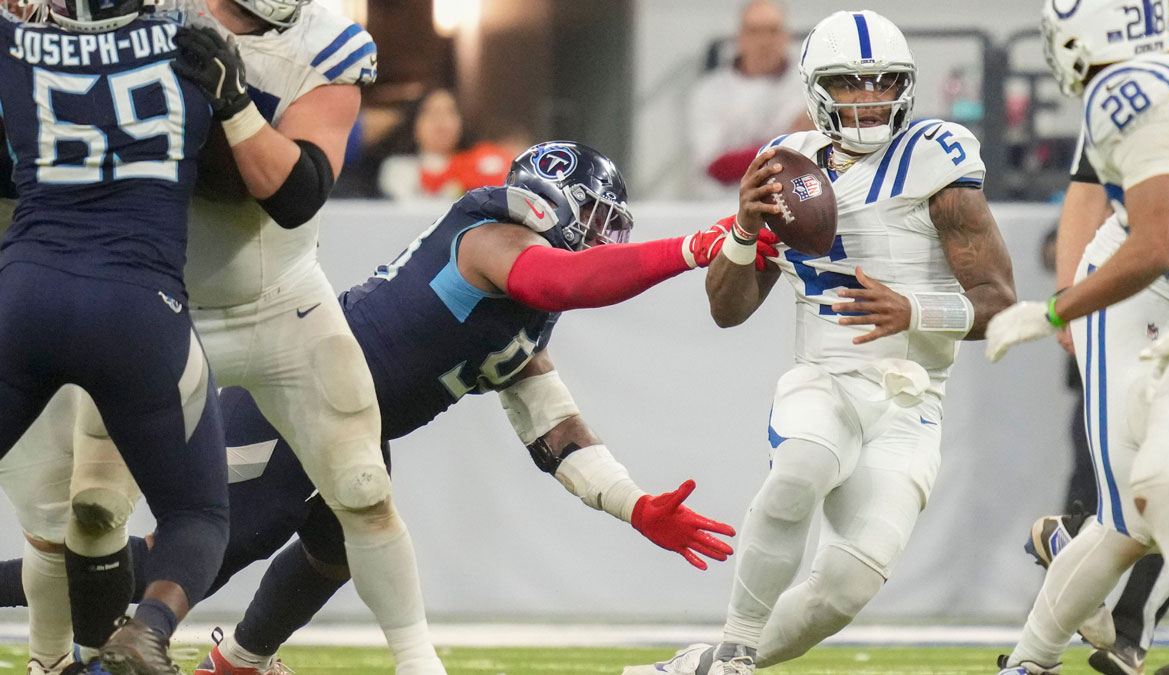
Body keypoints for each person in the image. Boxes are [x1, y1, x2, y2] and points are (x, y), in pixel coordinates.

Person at [0, 142, 772, 674]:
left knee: (339, 539)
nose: (604, 236)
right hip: (293, 402)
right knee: (179, 560)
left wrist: (636, 507)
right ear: (557, 204)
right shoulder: (492, 240)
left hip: (348, 423)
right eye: (599, 218)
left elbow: (552, 427)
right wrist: (692, 247)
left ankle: (238, 658)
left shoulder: (524, 306)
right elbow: (559, 282)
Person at [0, 0, 451, 672]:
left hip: (276, 300)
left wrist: (235, 106)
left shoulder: (326, 45)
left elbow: (295, 193)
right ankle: (84, 658)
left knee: (360, 482)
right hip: (161, 305)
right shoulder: (165, 14)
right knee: (94, 510)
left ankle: (419, 662)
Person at [626, 10, 1016, 675]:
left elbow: (1000, 304)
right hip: (825, 378)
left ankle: (704, 664)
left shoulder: (935, 157)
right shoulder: (790, 166)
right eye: (850, 84)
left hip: (910, 402)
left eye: (882, 83)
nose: (868, 99)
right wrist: (744, 231)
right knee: (802, 464)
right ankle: (738, 652)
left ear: (906, 87)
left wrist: (911, 307)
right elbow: (728, 309)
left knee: (845, 588)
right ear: (816, 90)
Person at [0, 0, 231, 673]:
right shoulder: (197, 39)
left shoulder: (13, 43)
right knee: (198, 514)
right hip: (140, 306)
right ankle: (148, 628)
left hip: (26, 296)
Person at [988, 0, 1169, 672]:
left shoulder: (1146, 80)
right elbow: (1155, 240)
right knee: (1139, 503)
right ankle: (1034, 658)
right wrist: (1062, 309)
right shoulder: (1134, 91)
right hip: (1150, 287)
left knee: (1151, 498)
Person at [688, 0, 812, 197]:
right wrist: (789, 142)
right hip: (725, 206)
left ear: (786, 36)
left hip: (795, 200)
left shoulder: (809, 86)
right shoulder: (711, 91)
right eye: (754, 31)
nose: (764, 41)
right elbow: (716, 167)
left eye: (772, 31)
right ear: (740, 37)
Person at [377, 89, 517, 202]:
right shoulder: (399, 168)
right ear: (414, 124)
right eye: (432, 112)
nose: (441, 121)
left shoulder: (484, 160)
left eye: (450, 112)